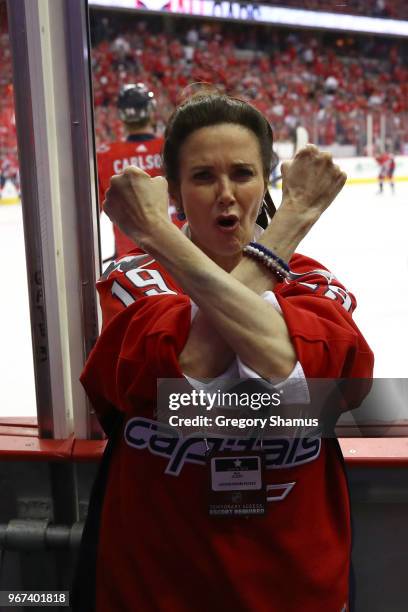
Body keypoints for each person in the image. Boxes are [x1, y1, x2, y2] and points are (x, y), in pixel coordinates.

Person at [75, 92, 374, 612]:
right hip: (155, 587)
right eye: (203, 177)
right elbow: (189, 369)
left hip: (297, 587)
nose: (226, 194)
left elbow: (292, 373)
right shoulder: (134, 279)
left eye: (241, 173)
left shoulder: (317, 284)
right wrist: (292, 221)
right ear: (175, 191)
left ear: (265, 181)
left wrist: (160, 237)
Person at [97, 83, 167, 259]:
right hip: (179, 254)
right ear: (151, 112)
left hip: (130, 261)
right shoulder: (171, 147)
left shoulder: (104, 154)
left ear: (122, 116)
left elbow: (91, 214)